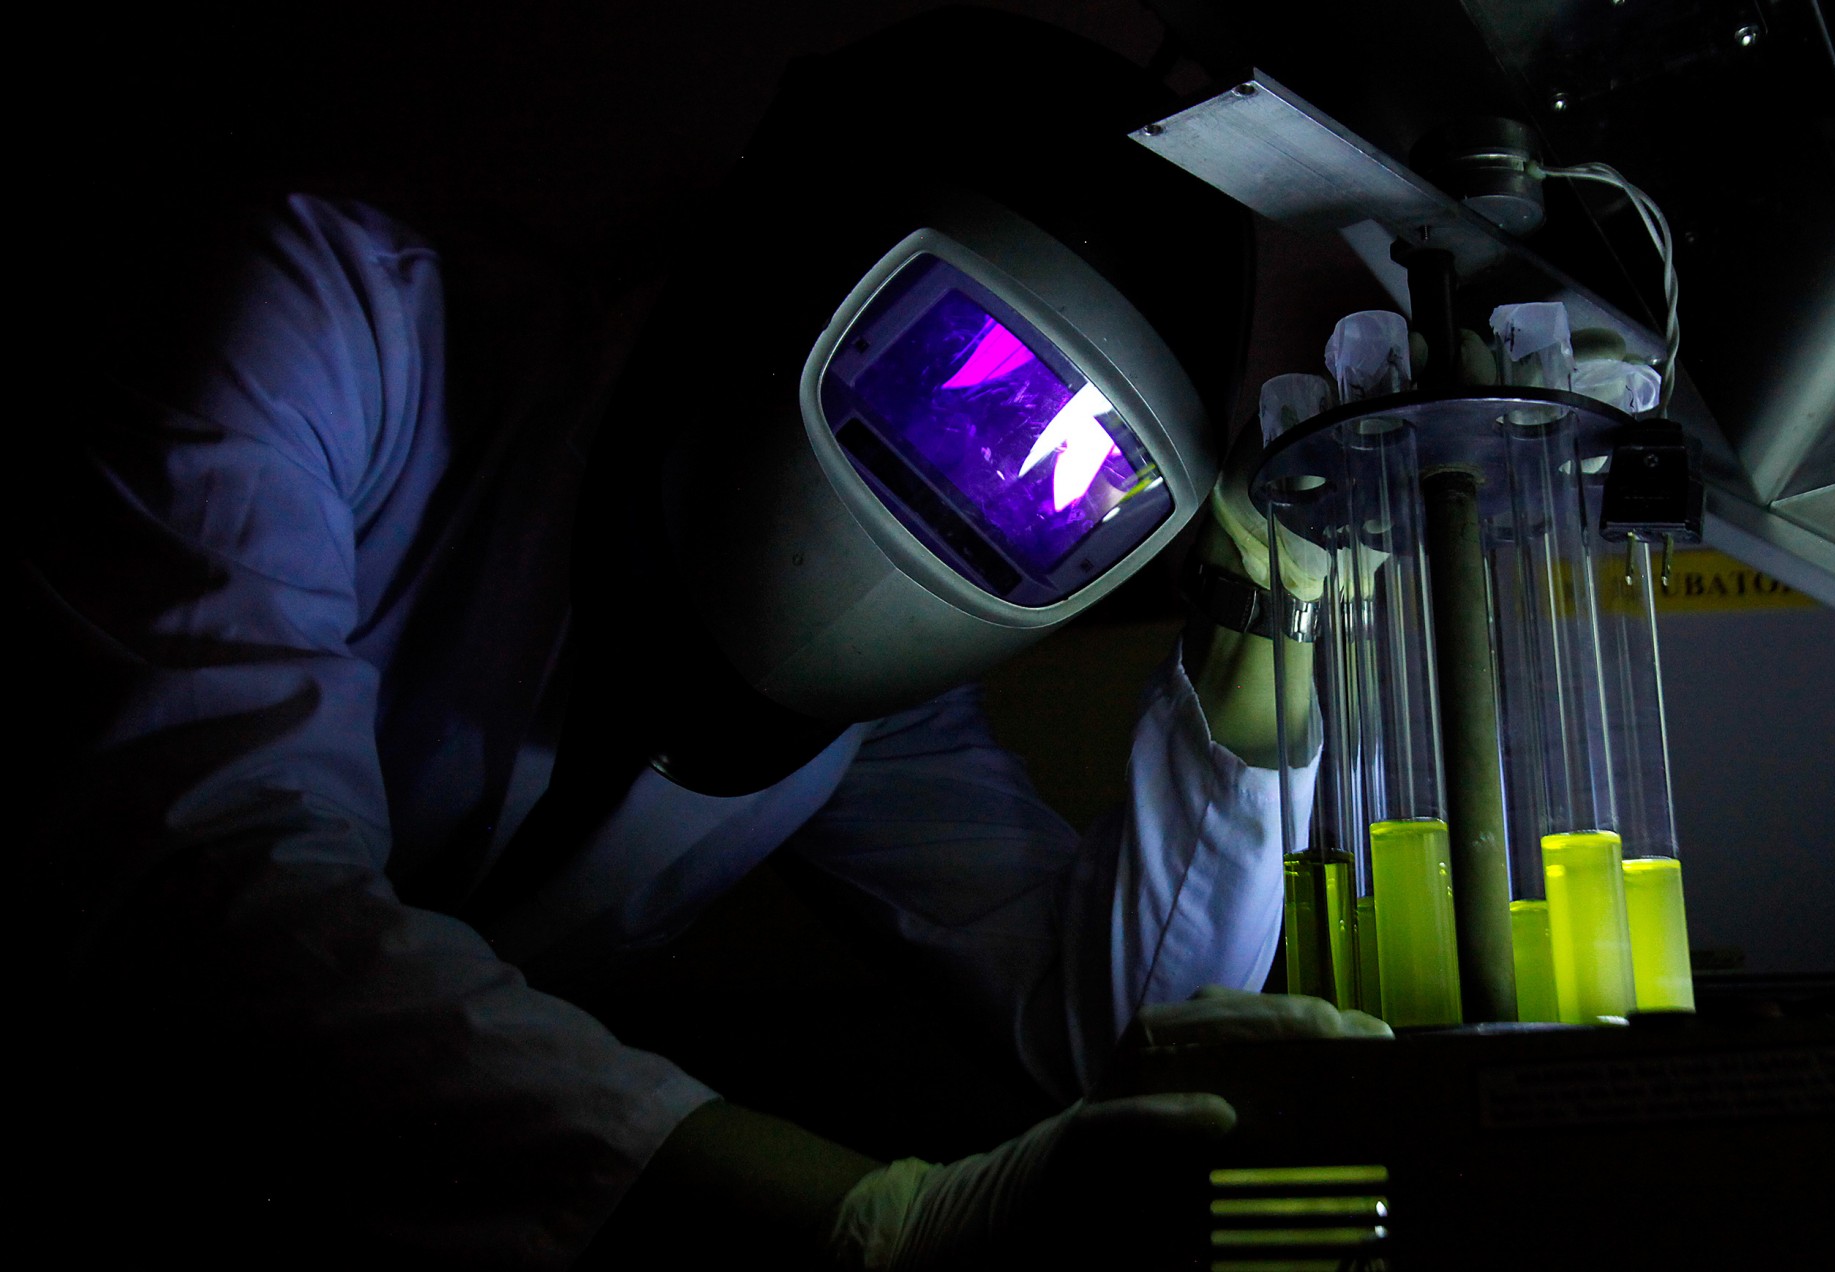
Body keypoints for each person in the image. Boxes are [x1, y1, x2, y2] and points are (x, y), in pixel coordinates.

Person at [21, 9, 1384, 1266]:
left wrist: (1257, 635)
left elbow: (1108, 1033)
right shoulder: (325, 328)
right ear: (789, 250)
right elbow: (213, 894)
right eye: (952, 378)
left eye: (1061, 473)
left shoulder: (867, 728)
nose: (982, 463)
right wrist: (870, 1232)